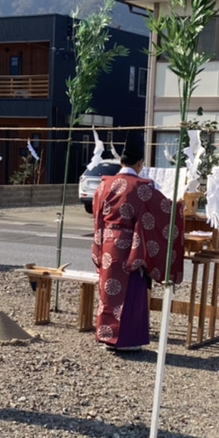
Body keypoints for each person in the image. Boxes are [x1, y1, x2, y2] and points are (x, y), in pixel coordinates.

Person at [91, 129, 185, 351]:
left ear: (121, 160)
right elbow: (165, 212)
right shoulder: (142, 188)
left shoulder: (104, 184)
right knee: (130, 292)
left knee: (108, 293)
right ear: (141, 162)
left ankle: (107, 337)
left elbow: (97, 217)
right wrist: (180, 206)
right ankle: (127, 341)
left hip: (107, 244)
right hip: (130, 247)